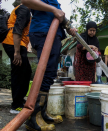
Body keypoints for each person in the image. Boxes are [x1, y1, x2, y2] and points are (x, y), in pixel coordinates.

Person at [21, 0, 77, 130]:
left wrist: (69, 28)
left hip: (53, 35)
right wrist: (53, 10)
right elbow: (26, 1)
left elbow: (60, 16)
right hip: (44, 32)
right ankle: (34, 116)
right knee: (45, 73)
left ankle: (43, 113)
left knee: (50, 74)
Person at [2, 0, 31, 114]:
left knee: (26, 71)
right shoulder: (24, 9)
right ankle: (16, 105)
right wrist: (17, 52)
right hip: (13, 43)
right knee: (19, 72)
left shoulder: (24, 9)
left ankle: (19, 100)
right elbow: (17, 29)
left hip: (16, 43)